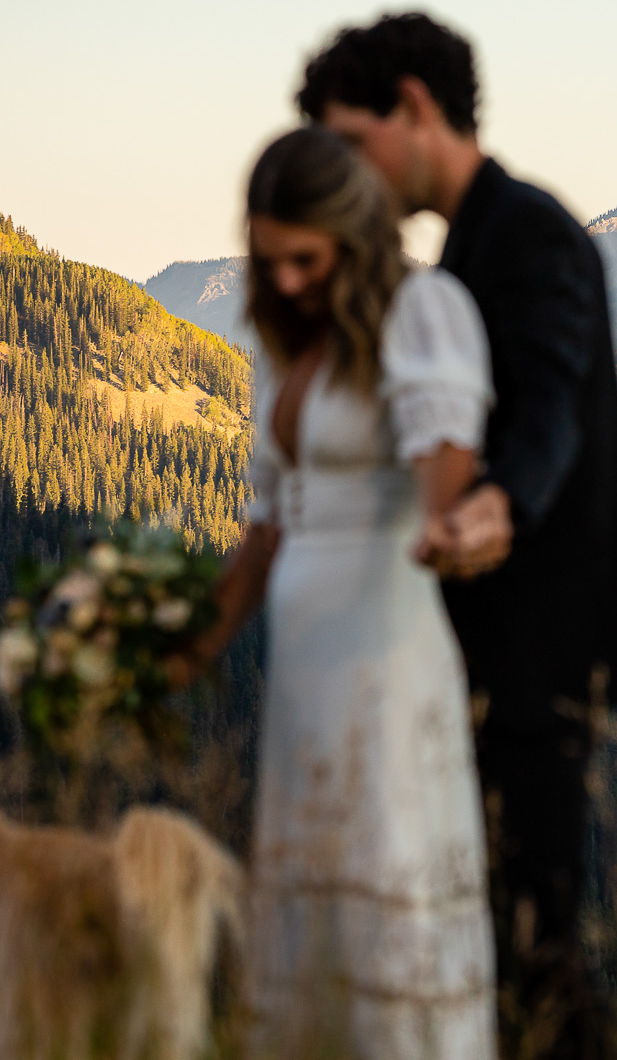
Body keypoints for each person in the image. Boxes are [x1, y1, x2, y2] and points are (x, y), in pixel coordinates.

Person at [298, 11, 617, 1058]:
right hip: (493, 646)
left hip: (539, 650)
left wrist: (500, 501)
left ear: (415, 107)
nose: (356, 178)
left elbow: (551, 399)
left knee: (533, 948)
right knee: (503, 943)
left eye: (356, 144)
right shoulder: (467, 244)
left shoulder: (530, 232)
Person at [175, 127, 497, 1059]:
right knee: (310, 884)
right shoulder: (283, 344)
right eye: (267, 260)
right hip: (305, 660)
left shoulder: (422, 310)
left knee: (384, 868)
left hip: (386, 641)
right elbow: (268, 524)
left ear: (353, 238)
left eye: (303, 260)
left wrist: (449, 523)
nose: (281, 282)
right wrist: (192, 644)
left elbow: (444, 454)